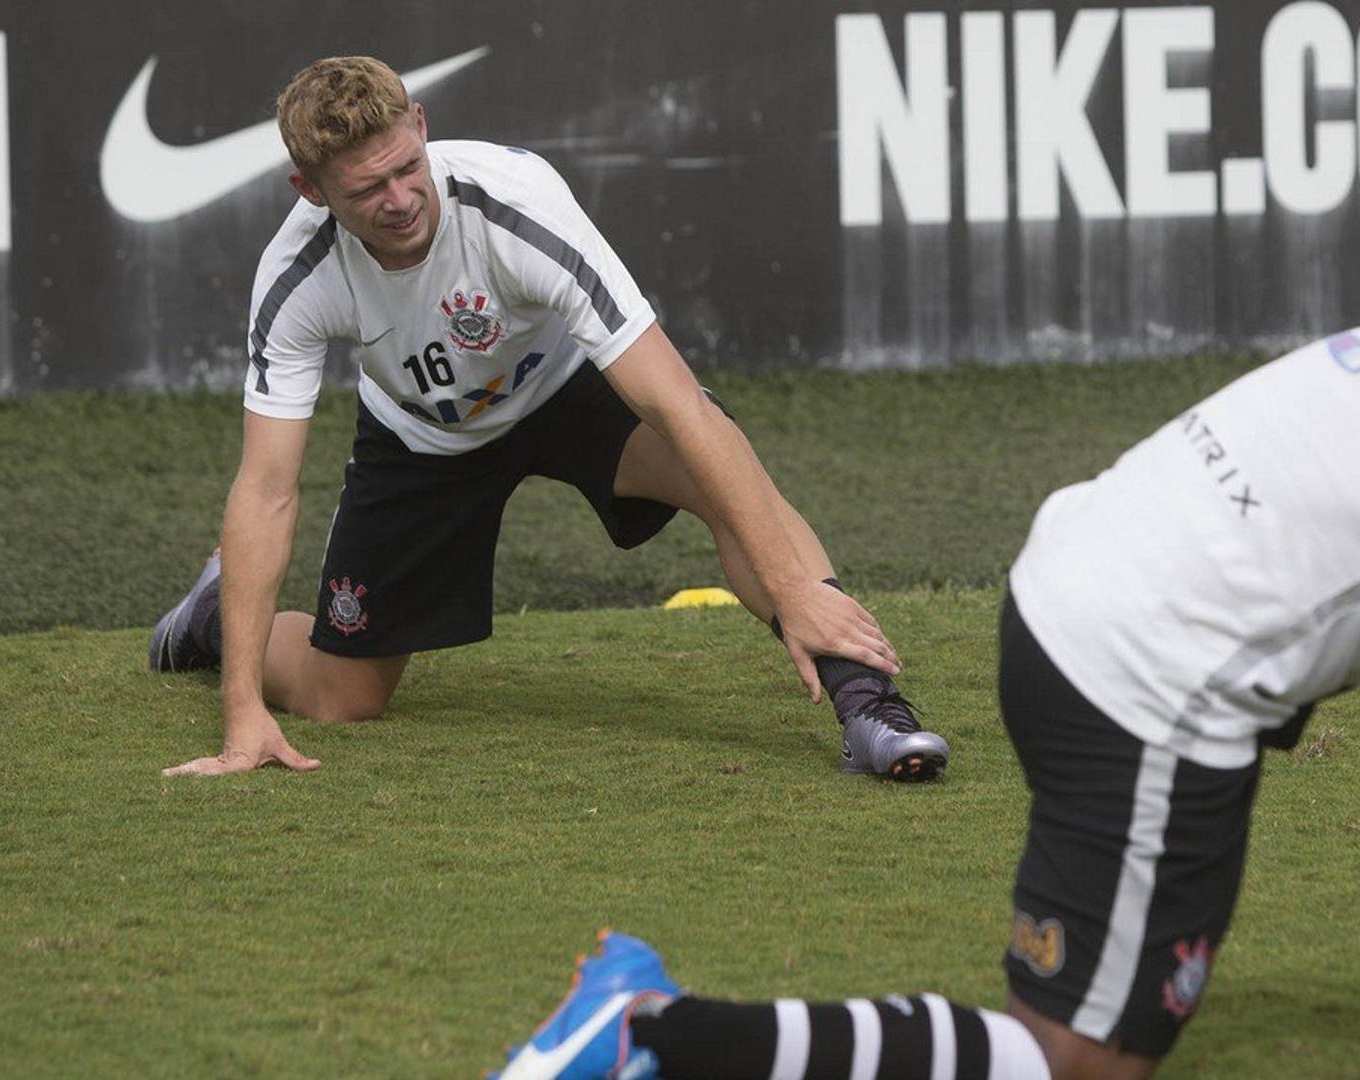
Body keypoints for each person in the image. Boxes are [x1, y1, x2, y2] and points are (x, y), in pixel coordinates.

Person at [458, 325, 1360, 1080]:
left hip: (1066, 598)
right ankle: (649, 1025)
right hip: (1151, 679)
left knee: (1081, 1045)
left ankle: (649, 1022)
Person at [147, 56, 947, 783]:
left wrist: (791, 593)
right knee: (342, 696)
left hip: (565, 383)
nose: (399, 202)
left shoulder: (515, 202)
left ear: (420, 126)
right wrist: (242, 711)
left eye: (406, 168)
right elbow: (268, 489)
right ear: (311, 190)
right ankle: (216, 616)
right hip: (423, 434)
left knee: (726, 484)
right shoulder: (297, 279)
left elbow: (677, 403)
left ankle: (869, 709)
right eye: (366, 190)